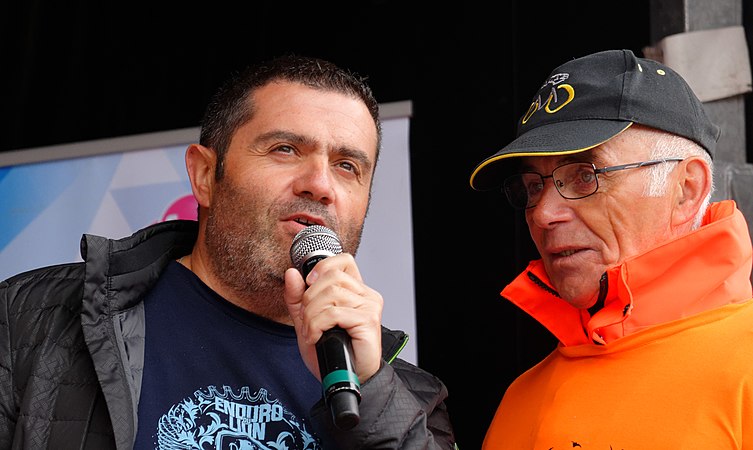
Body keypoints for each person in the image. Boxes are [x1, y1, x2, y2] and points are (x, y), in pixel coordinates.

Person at [0, 55, 456, 449]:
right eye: (285, 149)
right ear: (203, 175)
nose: (320, 185)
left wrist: (373, 390)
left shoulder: (412, 399)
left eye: (346, 166)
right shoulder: (31, 319)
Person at [469, 49, 753, 448]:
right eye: (534, 186)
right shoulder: (520, 397)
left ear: (687, 190)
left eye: (585, 175)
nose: (543, 214)